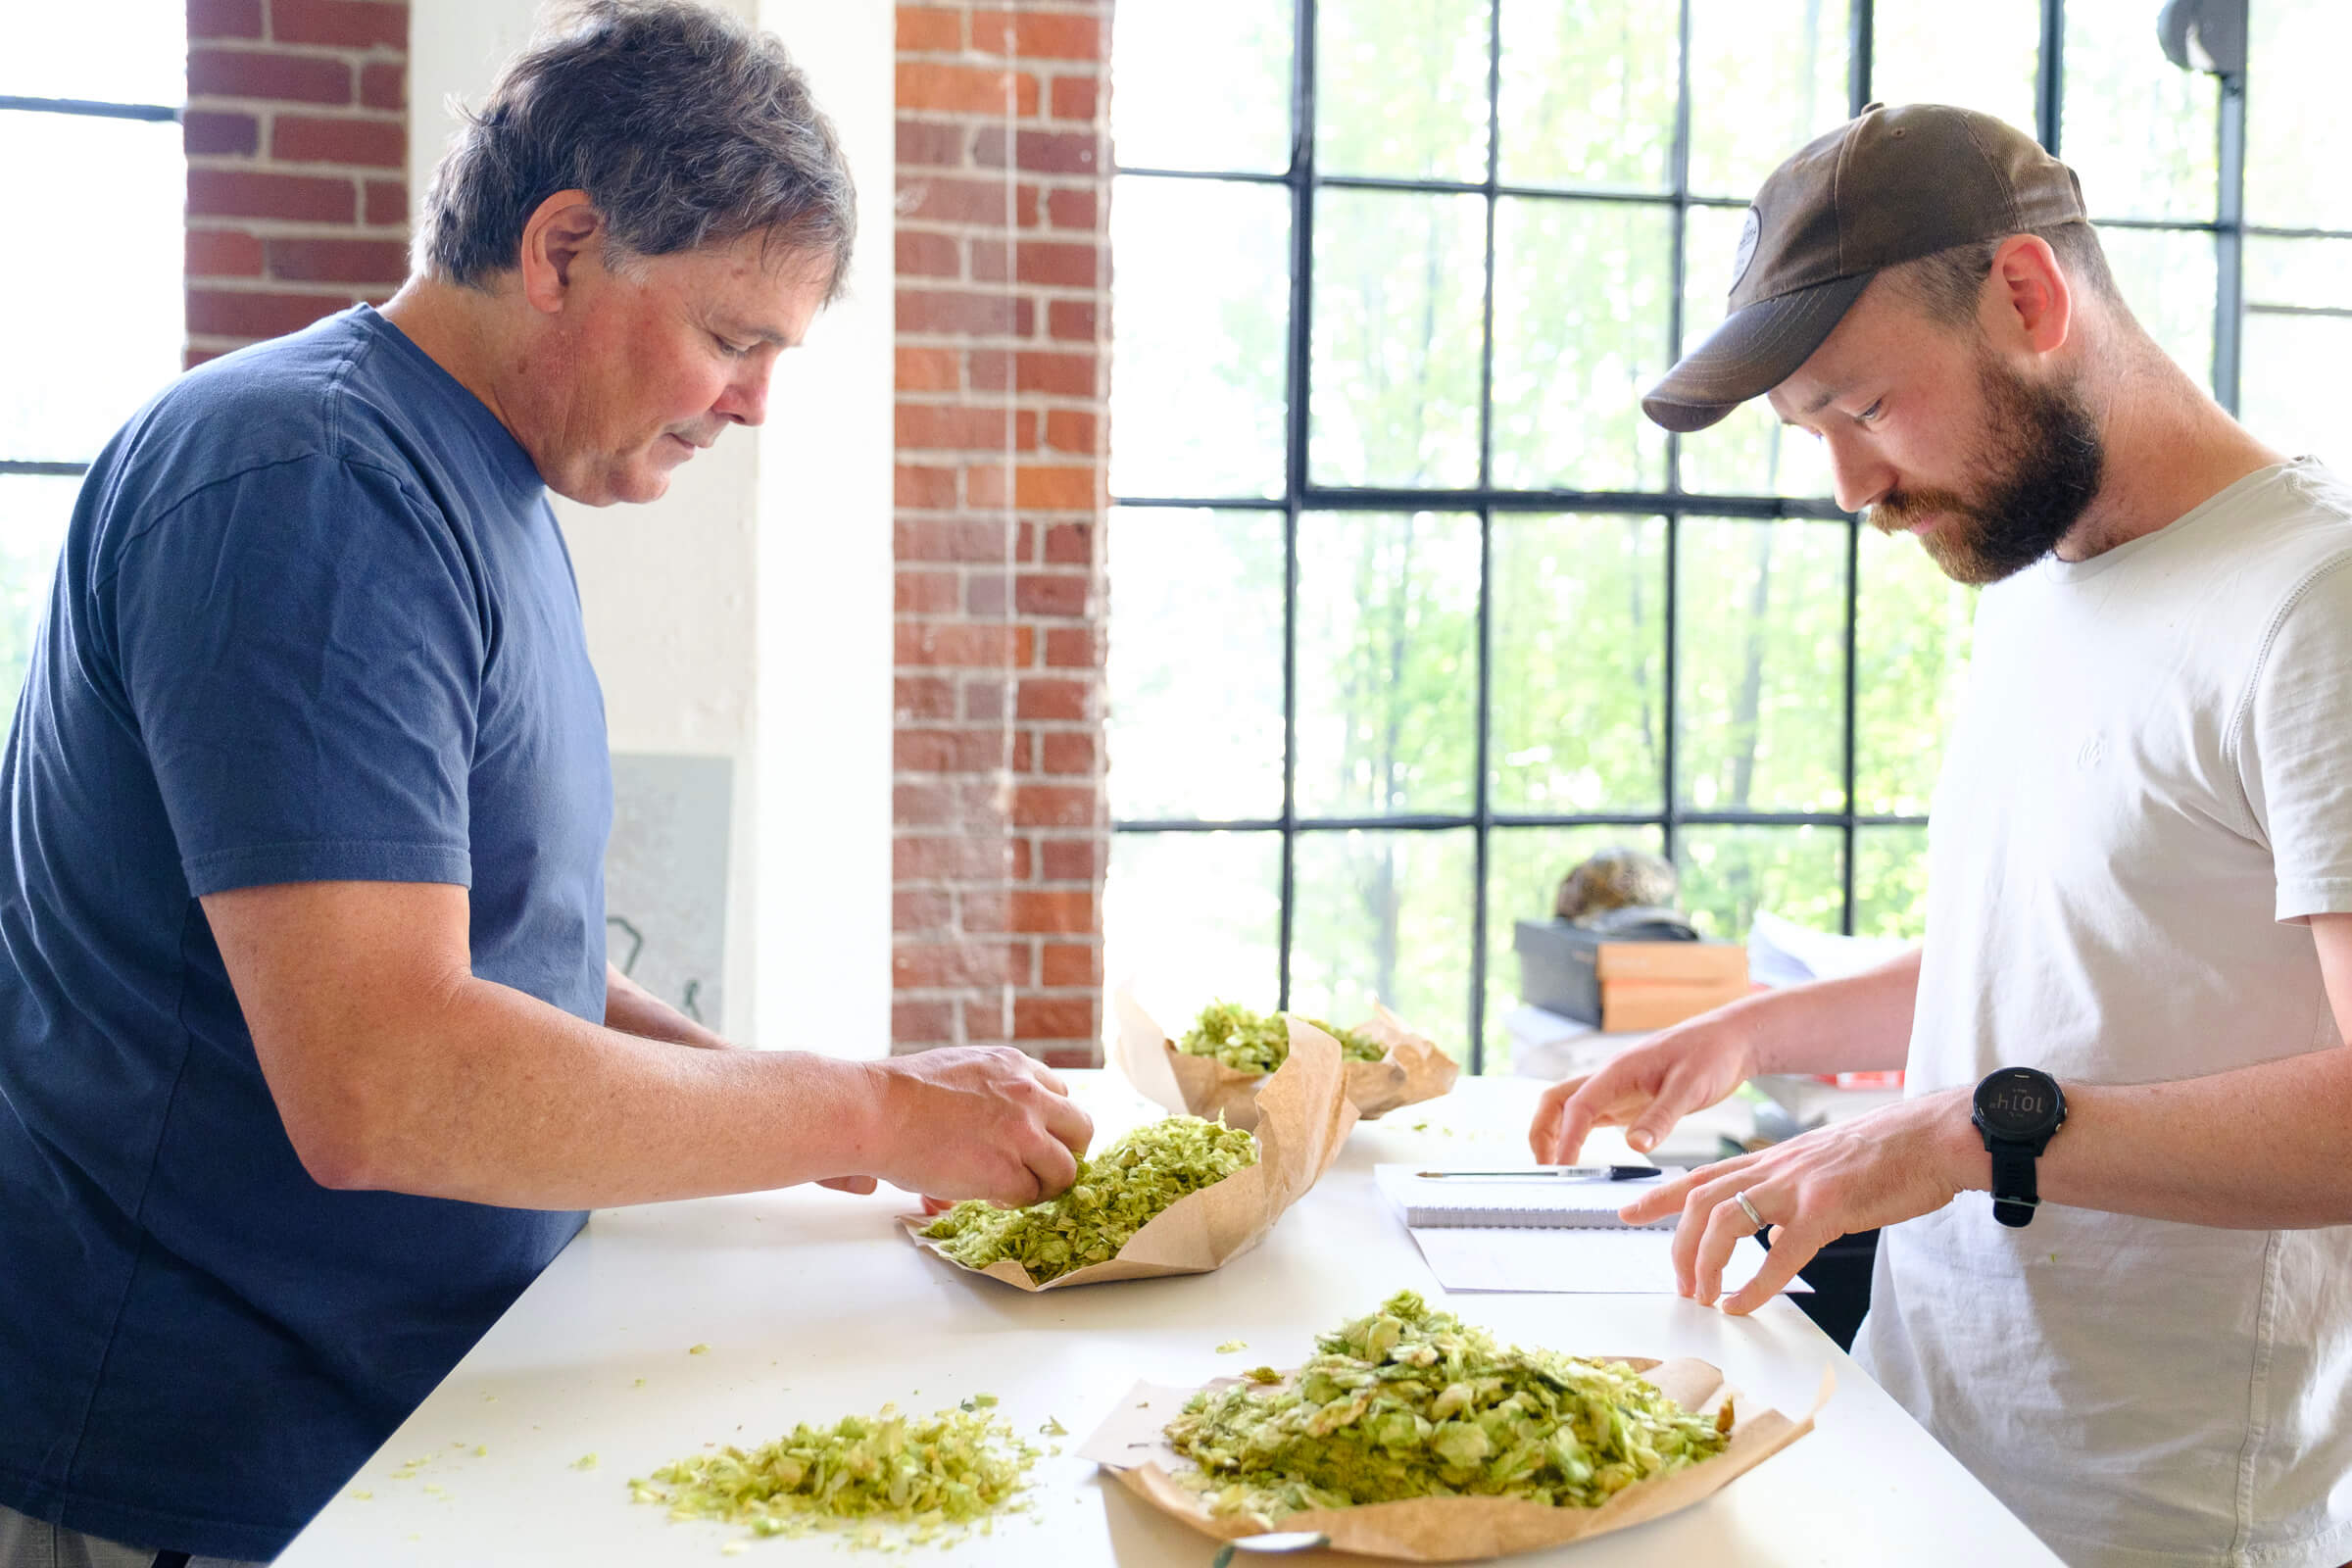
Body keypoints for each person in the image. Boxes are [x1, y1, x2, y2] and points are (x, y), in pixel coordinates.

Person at [0, 4, 1092, 1563]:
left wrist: (816, 1114)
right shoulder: (312, 485)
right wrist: (872, 1105)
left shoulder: (469, 479)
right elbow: (389, 1077)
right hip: (207, 1470)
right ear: (564, 249)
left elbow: (509, 953)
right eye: (734, 339)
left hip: (395, 1424)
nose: (755, 403)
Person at [1529, 103, 2352, 1567]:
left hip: (2155, 1523)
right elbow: (2079, 950)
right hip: (1923, 1446)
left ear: (2027, 296)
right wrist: (1758, 1030)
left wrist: (1968, 1132)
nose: (1854, 488)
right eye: (1814, 436)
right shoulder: (2038, 578)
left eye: (1863, 409)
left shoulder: (2313, 605)